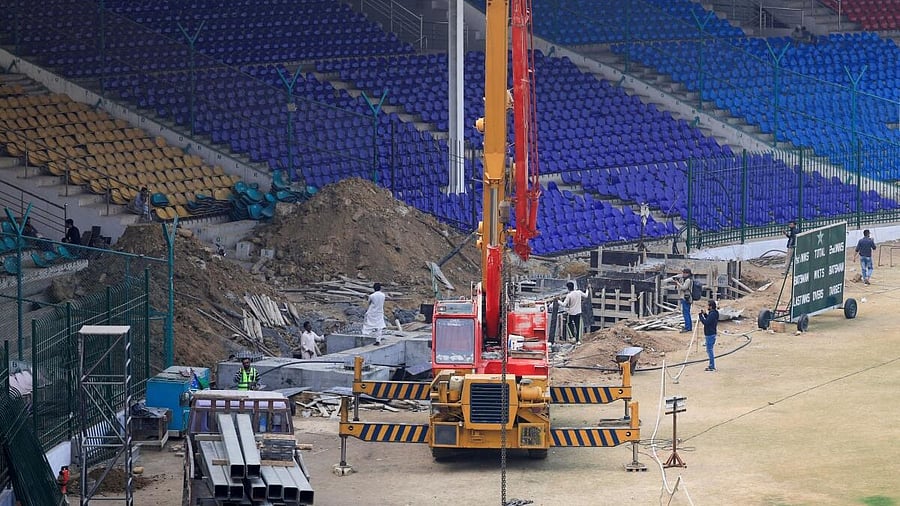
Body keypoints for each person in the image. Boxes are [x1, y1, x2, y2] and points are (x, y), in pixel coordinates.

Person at [670, 268, 694, 333]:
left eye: (684, 273)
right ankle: (688, 326)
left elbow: (684, 288)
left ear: (687, 273)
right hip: (685, 298)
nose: (683, 274)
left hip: (686, 298)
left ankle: (688, 327)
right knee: (686, 313)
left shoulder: (688, 280)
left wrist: (678, 283)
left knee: (686, 313)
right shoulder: (686, 279)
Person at [699, 300, 719, 372]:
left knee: (709, 350)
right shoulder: (713, 313)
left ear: (711, 306)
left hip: (710, 334)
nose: (707, 307)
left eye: (708, 305)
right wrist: (705, 314)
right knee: (709, 350)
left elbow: (706, 322)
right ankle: (711, 365)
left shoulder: (713, 314)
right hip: (711, 333)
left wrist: (701, 317)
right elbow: (709, 320)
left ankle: (712, 366)